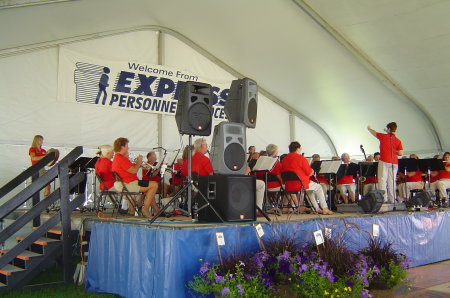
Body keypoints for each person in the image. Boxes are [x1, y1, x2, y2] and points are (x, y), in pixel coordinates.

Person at [111, 137, 159, 218]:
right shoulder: (120, 158)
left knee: (150, 189)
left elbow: (130, 169)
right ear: (122, 147)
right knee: (154, 185)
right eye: (127, 146)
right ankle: (146, 208)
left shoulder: (119, 157)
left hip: (128, 182)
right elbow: (134, 171)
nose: (128, 148)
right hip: (129, 184)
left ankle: (156, 210)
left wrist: (137, 163)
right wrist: (139, 161)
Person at [281, 141, 333, 215]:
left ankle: (317, 208)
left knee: (310, 191)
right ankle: (325, 208)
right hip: (300, 184)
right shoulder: (301, 158)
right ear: (297, 149)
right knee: (319, 187)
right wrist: (312, 170)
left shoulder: (284, 159)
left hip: (288, 185)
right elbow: (309, 173)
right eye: (300, 148)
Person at [368, 122, 403, 203]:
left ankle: (384, 199)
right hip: (394, 162)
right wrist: (394, 151)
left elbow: (374, 133)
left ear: (389, 129)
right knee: (392, 181)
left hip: (384, 161)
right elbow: (401, 153)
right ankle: (392, 199)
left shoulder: (383, 136)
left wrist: (369, 129)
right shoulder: (398, 140)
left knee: (382, 180)